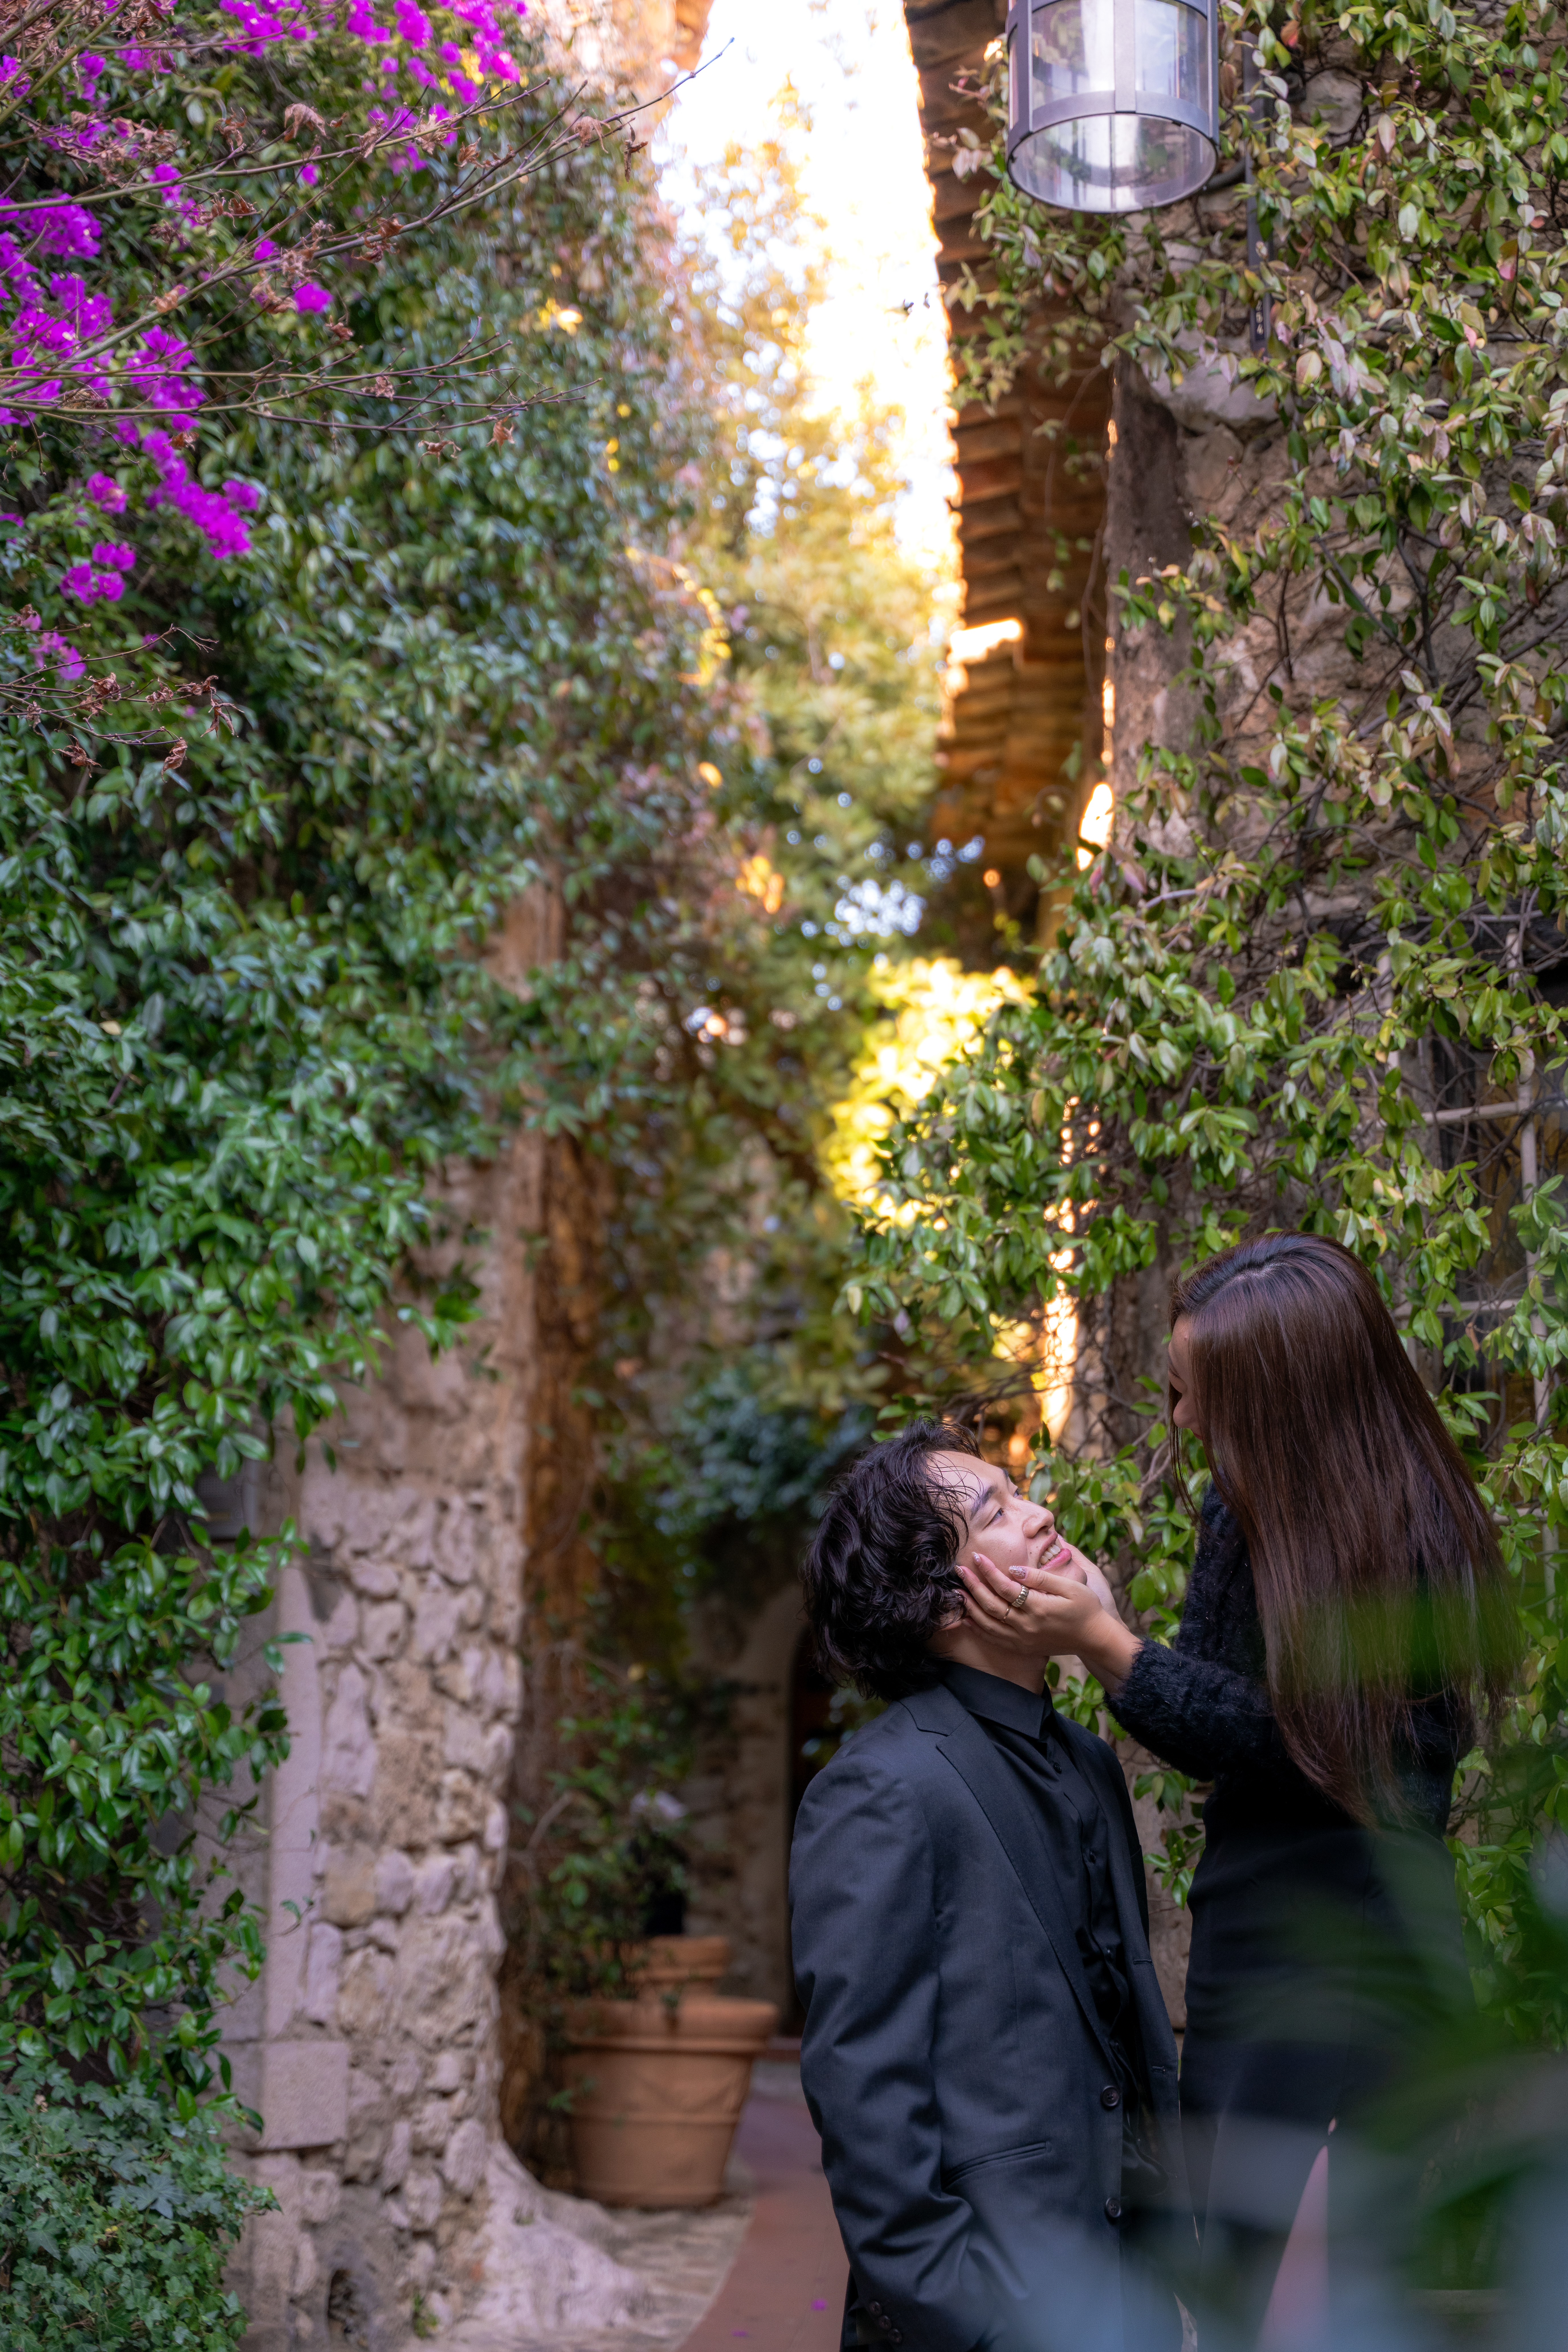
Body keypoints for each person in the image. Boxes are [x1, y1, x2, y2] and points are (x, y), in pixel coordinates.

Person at [955, 1232, 1517, 2347]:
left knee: (1302, 2305)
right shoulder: (1243, 1507)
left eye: (1192, 1397)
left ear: (1279, 1397)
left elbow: (1309, 1749)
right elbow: (1218, 1721)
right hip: (1250, 1936)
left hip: (1354, 1962)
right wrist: (1115, 1638)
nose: (1177, 1422)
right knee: (1234, 2294)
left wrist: (1109, 1647)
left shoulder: (1414, 1535)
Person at [791, 1419, 1190, 2352]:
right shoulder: (880, 1788)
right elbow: (865, 2095)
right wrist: (966, 2315)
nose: (1043, 1513)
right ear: (944, 1598)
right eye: (999, 1511)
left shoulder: (1089, 1760)